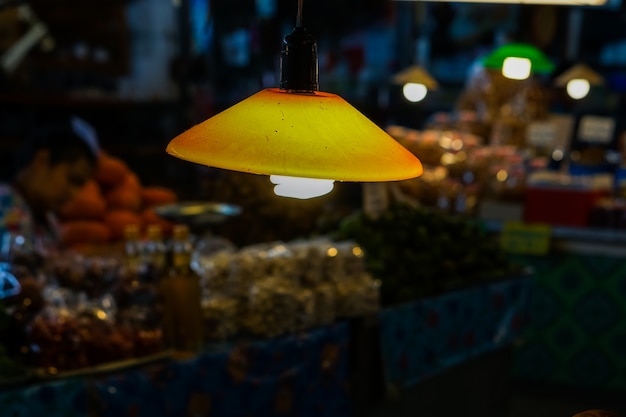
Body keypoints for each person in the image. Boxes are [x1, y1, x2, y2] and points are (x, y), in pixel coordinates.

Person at [0, 116, 100, 256]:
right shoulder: (7, 207)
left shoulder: (47, 217)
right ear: (42, 160)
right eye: (72, 180)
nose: (75, 194)